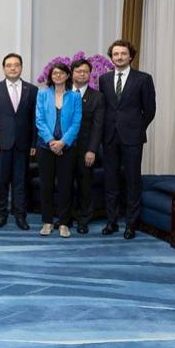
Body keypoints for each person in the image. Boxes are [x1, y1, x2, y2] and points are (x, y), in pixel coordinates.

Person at [99, 39, 156, 240]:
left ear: (130, 56)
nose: (119, 57)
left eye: (123, 53)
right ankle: (112, 221)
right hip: (109, 137)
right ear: (111, 57)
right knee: (111, 180)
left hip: (132, 137)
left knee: (132, 180)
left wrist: (137, 128)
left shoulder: (143, 79)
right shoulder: (104, 79)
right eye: (115, 54)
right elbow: (104, 108)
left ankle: (131, 224)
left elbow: (149, 110)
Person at [0, 53, 38, 230]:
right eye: (9, 65)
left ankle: (20, 215)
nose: (13, 68)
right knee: (1, 181)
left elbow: (34, 119)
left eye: (16, 65)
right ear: (3, 68)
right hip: (1, 144)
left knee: (20, 181)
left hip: (23, 144)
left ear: (21, 67)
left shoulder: (31, 90)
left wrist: (33, 144)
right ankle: (1, 214)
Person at [35, 63, 82, 238]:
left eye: (62, 73)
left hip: (67, 148)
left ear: (67, 76)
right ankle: (47, 222)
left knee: (65, 186)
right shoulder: (42, 94)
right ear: (51, 76)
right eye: (55, 73)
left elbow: (77, 123)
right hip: (46, 147)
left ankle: (63, 223)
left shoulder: (75, 96)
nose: (58, 76)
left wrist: (62, 142)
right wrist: (51, 142)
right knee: (46, 185)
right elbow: (39, 120)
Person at [70, 59, 105, 234]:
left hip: (86, 150)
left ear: (90, 74)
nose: (82, 74)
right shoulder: (64, 93)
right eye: (78, 71)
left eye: (85, 71)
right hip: (65, 149)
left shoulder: (97, 97)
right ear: (72, 73)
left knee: (85, 186)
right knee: (66, 184)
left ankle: (83, 220)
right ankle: (67, 218)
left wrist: (92, 150)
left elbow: (98, 126)